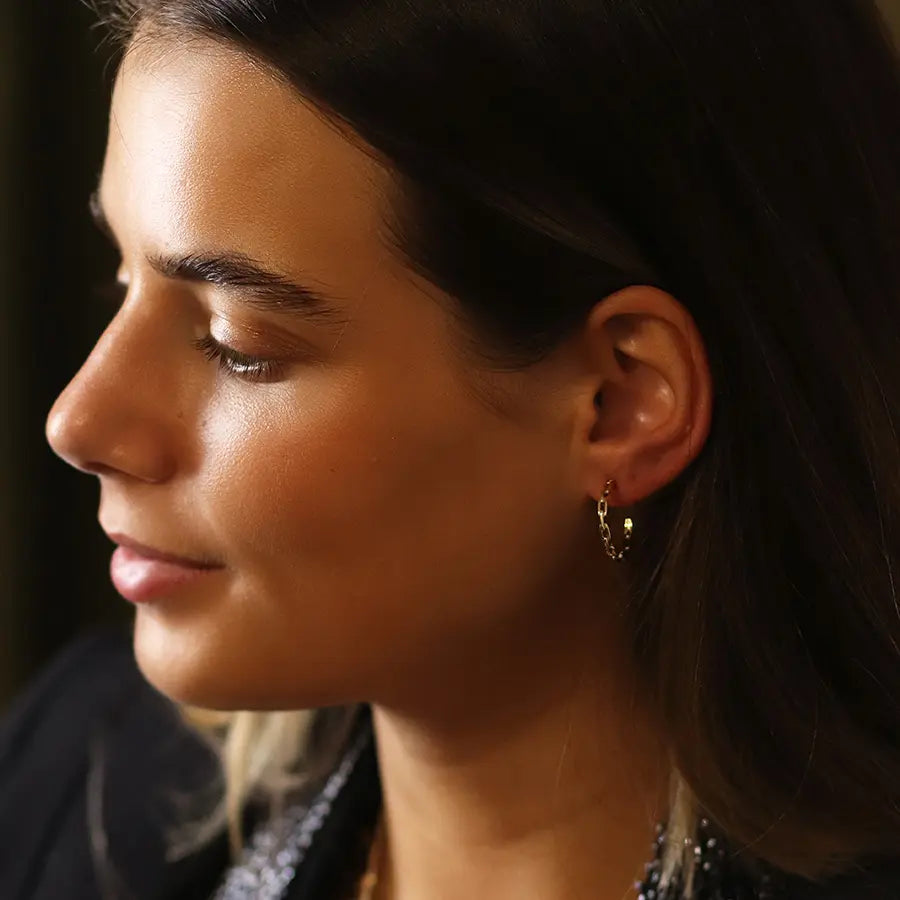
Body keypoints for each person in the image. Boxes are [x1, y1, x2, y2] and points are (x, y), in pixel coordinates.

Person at [2, 0, 899, 897]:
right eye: (121, 278)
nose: (77, 423)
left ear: (619, 403)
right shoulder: (72, 775)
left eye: (237, 343)